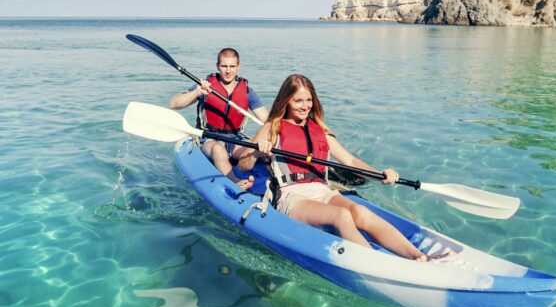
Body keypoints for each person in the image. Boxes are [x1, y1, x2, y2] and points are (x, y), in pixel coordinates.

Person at [235, 74, 441, 262]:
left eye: (309, 100)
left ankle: (418, 256)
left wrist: (380, 175)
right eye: (298, 100)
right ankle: (378, 264)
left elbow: (350, 162)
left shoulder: (320, 129)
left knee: (360, 211)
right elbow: (244, 165)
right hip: (292, 197)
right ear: (286, 101)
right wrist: (257, 152)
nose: (305, 106)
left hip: (322, 191)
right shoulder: (273, 127)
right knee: (341, 215)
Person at [169, 48, 268, 190]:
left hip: (235, 140)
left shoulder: (247, 91)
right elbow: (174, 104)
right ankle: (235, 181)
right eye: (224, 66)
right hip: (209, 139)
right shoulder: (206, 86)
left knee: (255, 146)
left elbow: (267, 119)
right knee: (218, 149)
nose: (228, 71)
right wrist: (196, 92)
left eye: (232, 66)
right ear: (217, 66)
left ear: (238, 67)